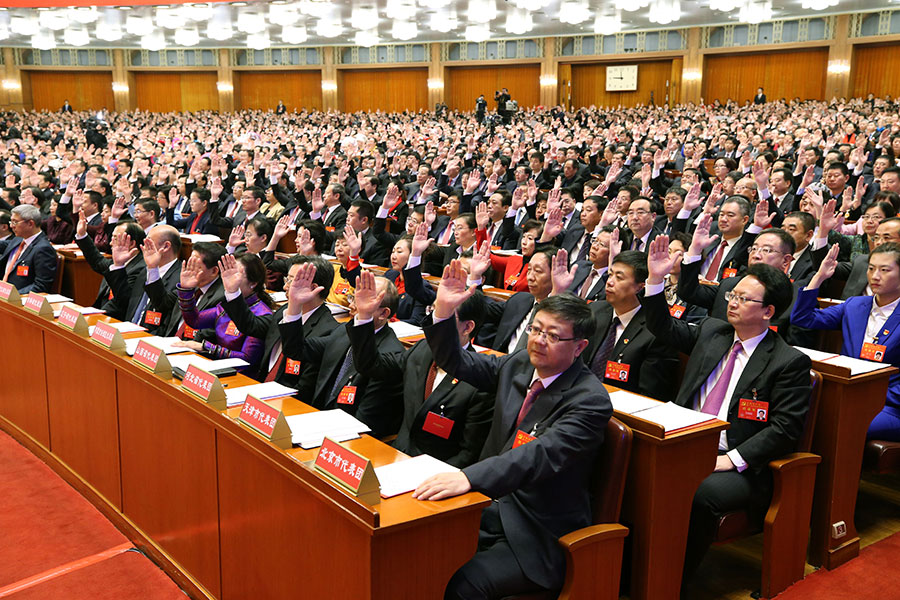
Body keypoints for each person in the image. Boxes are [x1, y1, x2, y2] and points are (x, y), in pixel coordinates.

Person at [412, 261, 612, 599]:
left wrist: (468, 477)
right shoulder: (519, 364)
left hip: (534, 530)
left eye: (552, 336)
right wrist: (444, 312)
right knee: (414, 548)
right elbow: (458, 361)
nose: (538, 341)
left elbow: (538, 455)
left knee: (462, 583)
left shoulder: (590, 401)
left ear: (579, 347)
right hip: (487, 507)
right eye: (535, 330)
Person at [643, 235, 811, 591]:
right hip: (684, 442)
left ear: (768, 311)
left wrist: (732, 459)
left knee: (695, 492)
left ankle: (671, 582)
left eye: (742, 299)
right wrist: (656, 282)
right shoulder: (713, 331)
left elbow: (785, 428)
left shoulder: (788, 362)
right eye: (732, 295)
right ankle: (634, 566)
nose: (731, 303)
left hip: (736, 463)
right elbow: (662, 327)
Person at [346, 270, 494, 467]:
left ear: (467, 328)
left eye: (445, 316)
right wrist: (364, 317)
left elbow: (469, 454)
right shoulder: (422, 349)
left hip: (435, 475)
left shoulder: (479, 379)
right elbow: (371, 366)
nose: (434, 322)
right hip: (396, 458)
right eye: (433, 311)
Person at [791, 243, 900, 442]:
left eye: (884, 270)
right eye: (871, 268)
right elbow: (803, 318)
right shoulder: (855, 304)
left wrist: (873, 394)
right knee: (798, 414)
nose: (875, 276)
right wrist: (819, 278)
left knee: (845, 422)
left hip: (890, 405)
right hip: (846, 393)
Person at [281, 268, 405, 438]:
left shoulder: (391, 355)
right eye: (354, 297)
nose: (353, 305)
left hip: (346, 437)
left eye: (365, 299)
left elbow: (363, 423)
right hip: (316, 422)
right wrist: (294, 305)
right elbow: (296, 350)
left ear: (384, 313)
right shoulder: (343, 332)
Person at [173, 252, 274, 371]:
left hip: (241, 376)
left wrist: (205, 346)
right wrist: (186, 290)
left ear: (253, 283)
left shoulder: (262, 314)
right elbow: (194, 321)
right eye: (227, 272)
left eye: (235, 274)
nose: (229, 278)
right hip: (216, 368)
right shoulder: (226, 306)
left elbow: (246, 359)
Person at [0, 204, 57, 294]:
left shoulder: (43, 249)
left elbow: (41, 286)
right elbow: (2, 245)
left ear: (30, 223)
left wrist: (12, 296)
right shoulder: (18, 239)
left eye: (15, 222)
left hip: (17, 298)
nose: (11, 226)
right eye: (11, 222)